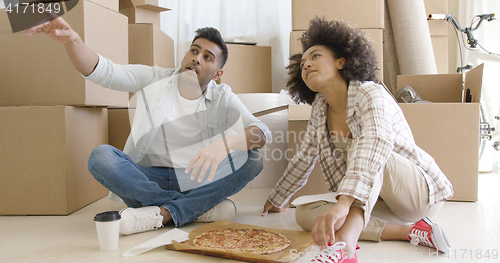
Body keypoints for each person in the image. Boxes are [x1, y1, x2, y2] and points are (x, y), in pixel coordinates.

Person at [26, 17, 271, 235]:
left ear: (218, 73)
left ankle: (160, 213)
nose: (197, 58)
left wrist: (224, 145)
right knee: (101, 157)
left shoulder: (222, 96)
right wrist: (73, 40)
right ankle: (191, 208)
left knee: (253, 160)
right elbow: (104, 72)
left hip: (195, 178)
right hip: (148, 177)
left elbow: (261, 132)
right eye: (194, 51)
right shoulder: (155, 78)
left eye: (207, 57)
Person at [261, 17, 453, 262]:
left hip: (415, 195)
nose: (306, 64)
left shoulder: (370, 92)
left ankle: (345, 247)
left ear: (341, 61)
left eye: (315, 56)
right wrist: (277, 198)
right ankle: (410, 232)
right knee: (306, 214)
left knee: (368, 151)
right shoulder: (320, 108)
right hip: (374, 201)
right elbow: (304, 158)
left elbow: (375, 143)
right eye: (303, 63)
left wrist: (343, 204)